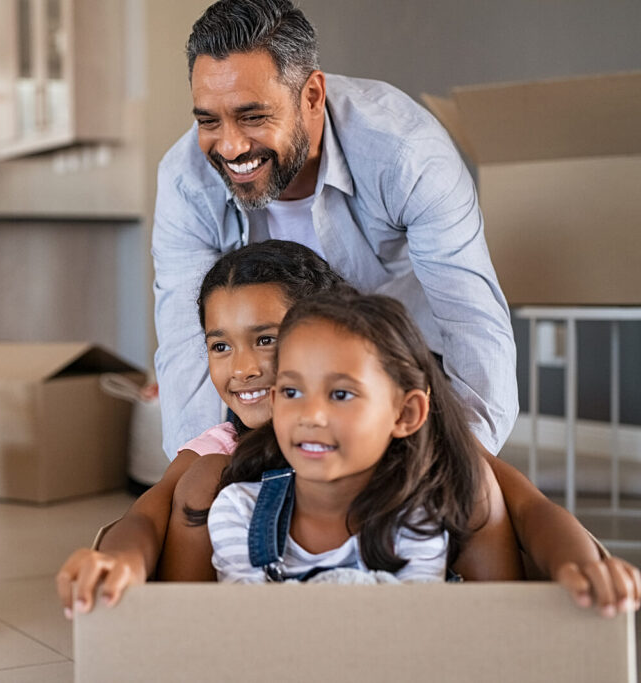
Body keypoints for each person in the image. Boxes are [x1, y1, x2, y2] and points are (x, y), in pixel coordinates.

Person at [57, 242, 640, 615]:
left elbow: (531, 508)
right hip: (262, 623)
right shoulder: (218, 462)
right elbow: (142, 518)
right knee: (197, 489)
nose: (246, 367)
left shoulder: (406, 429)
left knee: (480, 488)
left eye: (268, 339)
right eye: (221, 345)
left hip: (416, 615)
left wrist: (580, 565)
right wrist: (122, 564)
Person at [152, 0, 516, 463]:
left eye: (253, 117)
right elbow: (186, 342)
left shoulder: (405, 155)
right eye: (208, 121)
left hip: (400, 364)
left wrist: (466, 463)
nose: (230, 146)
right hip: (269, 380)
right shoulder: (186, 181)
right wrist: (206, 468)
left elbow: (471, 317)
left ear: (312, 96)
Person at [209, 291, 482, 583]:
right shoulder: (239, 511)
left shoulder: (416, 521)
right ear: (275, 403)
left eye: (341, 394)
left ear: (405, 414)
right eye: (292, 392)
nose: (310, 415)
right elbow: (251, 623)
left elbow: (406, 623)